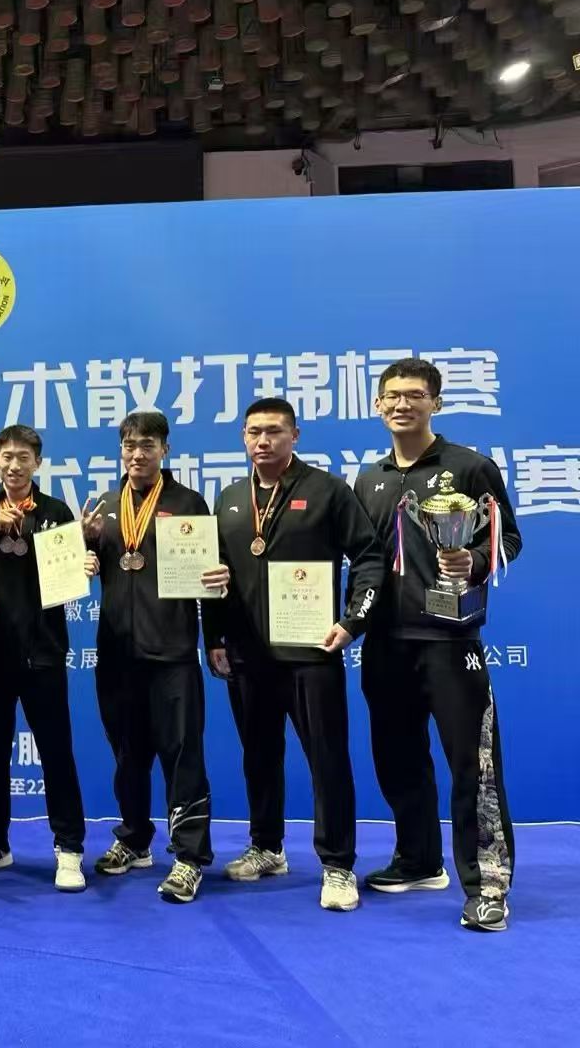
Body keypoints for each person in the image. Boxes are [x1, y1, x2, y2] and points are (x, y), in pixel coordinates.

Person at [354, 357, 520, 932]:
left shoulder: (469, 467)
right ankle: (419, 860)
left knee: (473, 765)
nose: (403, 404)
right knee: (397, 758)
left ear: (436, 403)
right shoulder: (369, 479)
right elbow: (365, 558)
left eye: (416, 395)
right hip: (385, 643)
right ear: (377, 404)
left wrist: (472, 559)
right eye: (393, 396)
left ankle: (488, 885)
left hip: (451, 642)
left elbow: (509, 538)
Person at [208, 397, 385, 913]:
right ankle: (267, 847)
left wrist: (352, 621)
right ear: (243, 437)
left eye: (274, 431)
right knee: (259, 757)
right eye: (253, 432)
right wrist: (214, 637)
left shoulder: (327, 491)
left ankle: (338, 865)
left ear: (295, 435)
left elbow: (369, 557)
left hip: (311, 652)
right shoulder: (231, 499)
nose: (262, 441)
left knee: (327, 761)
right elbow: (214, 575)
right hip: (247, 654)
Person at [81, 411, 228, 903]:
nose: (137, 454)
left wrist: (216, 638)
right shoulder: (104, 507)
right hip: (117, 655)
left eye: (147, 445)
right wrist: (84, 546)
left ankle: (189, 857)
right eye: (129, 445)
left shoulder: (188, 503)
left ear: (165, 449)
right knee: (127, 754)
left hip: (172, 654)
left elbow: (210, 579)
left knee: (183, 755)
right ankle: (134, 839)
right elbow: (86, 571)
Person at [0, 425, 90, 893]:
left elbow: (68, 581)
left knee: (56, 752)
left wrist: (83, 557)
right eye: (7, 457)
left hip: (42, 653)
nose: (14, 465)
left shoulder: (55, 513)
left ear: (37, 463)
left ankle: (68, 847)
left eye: (23, 457)